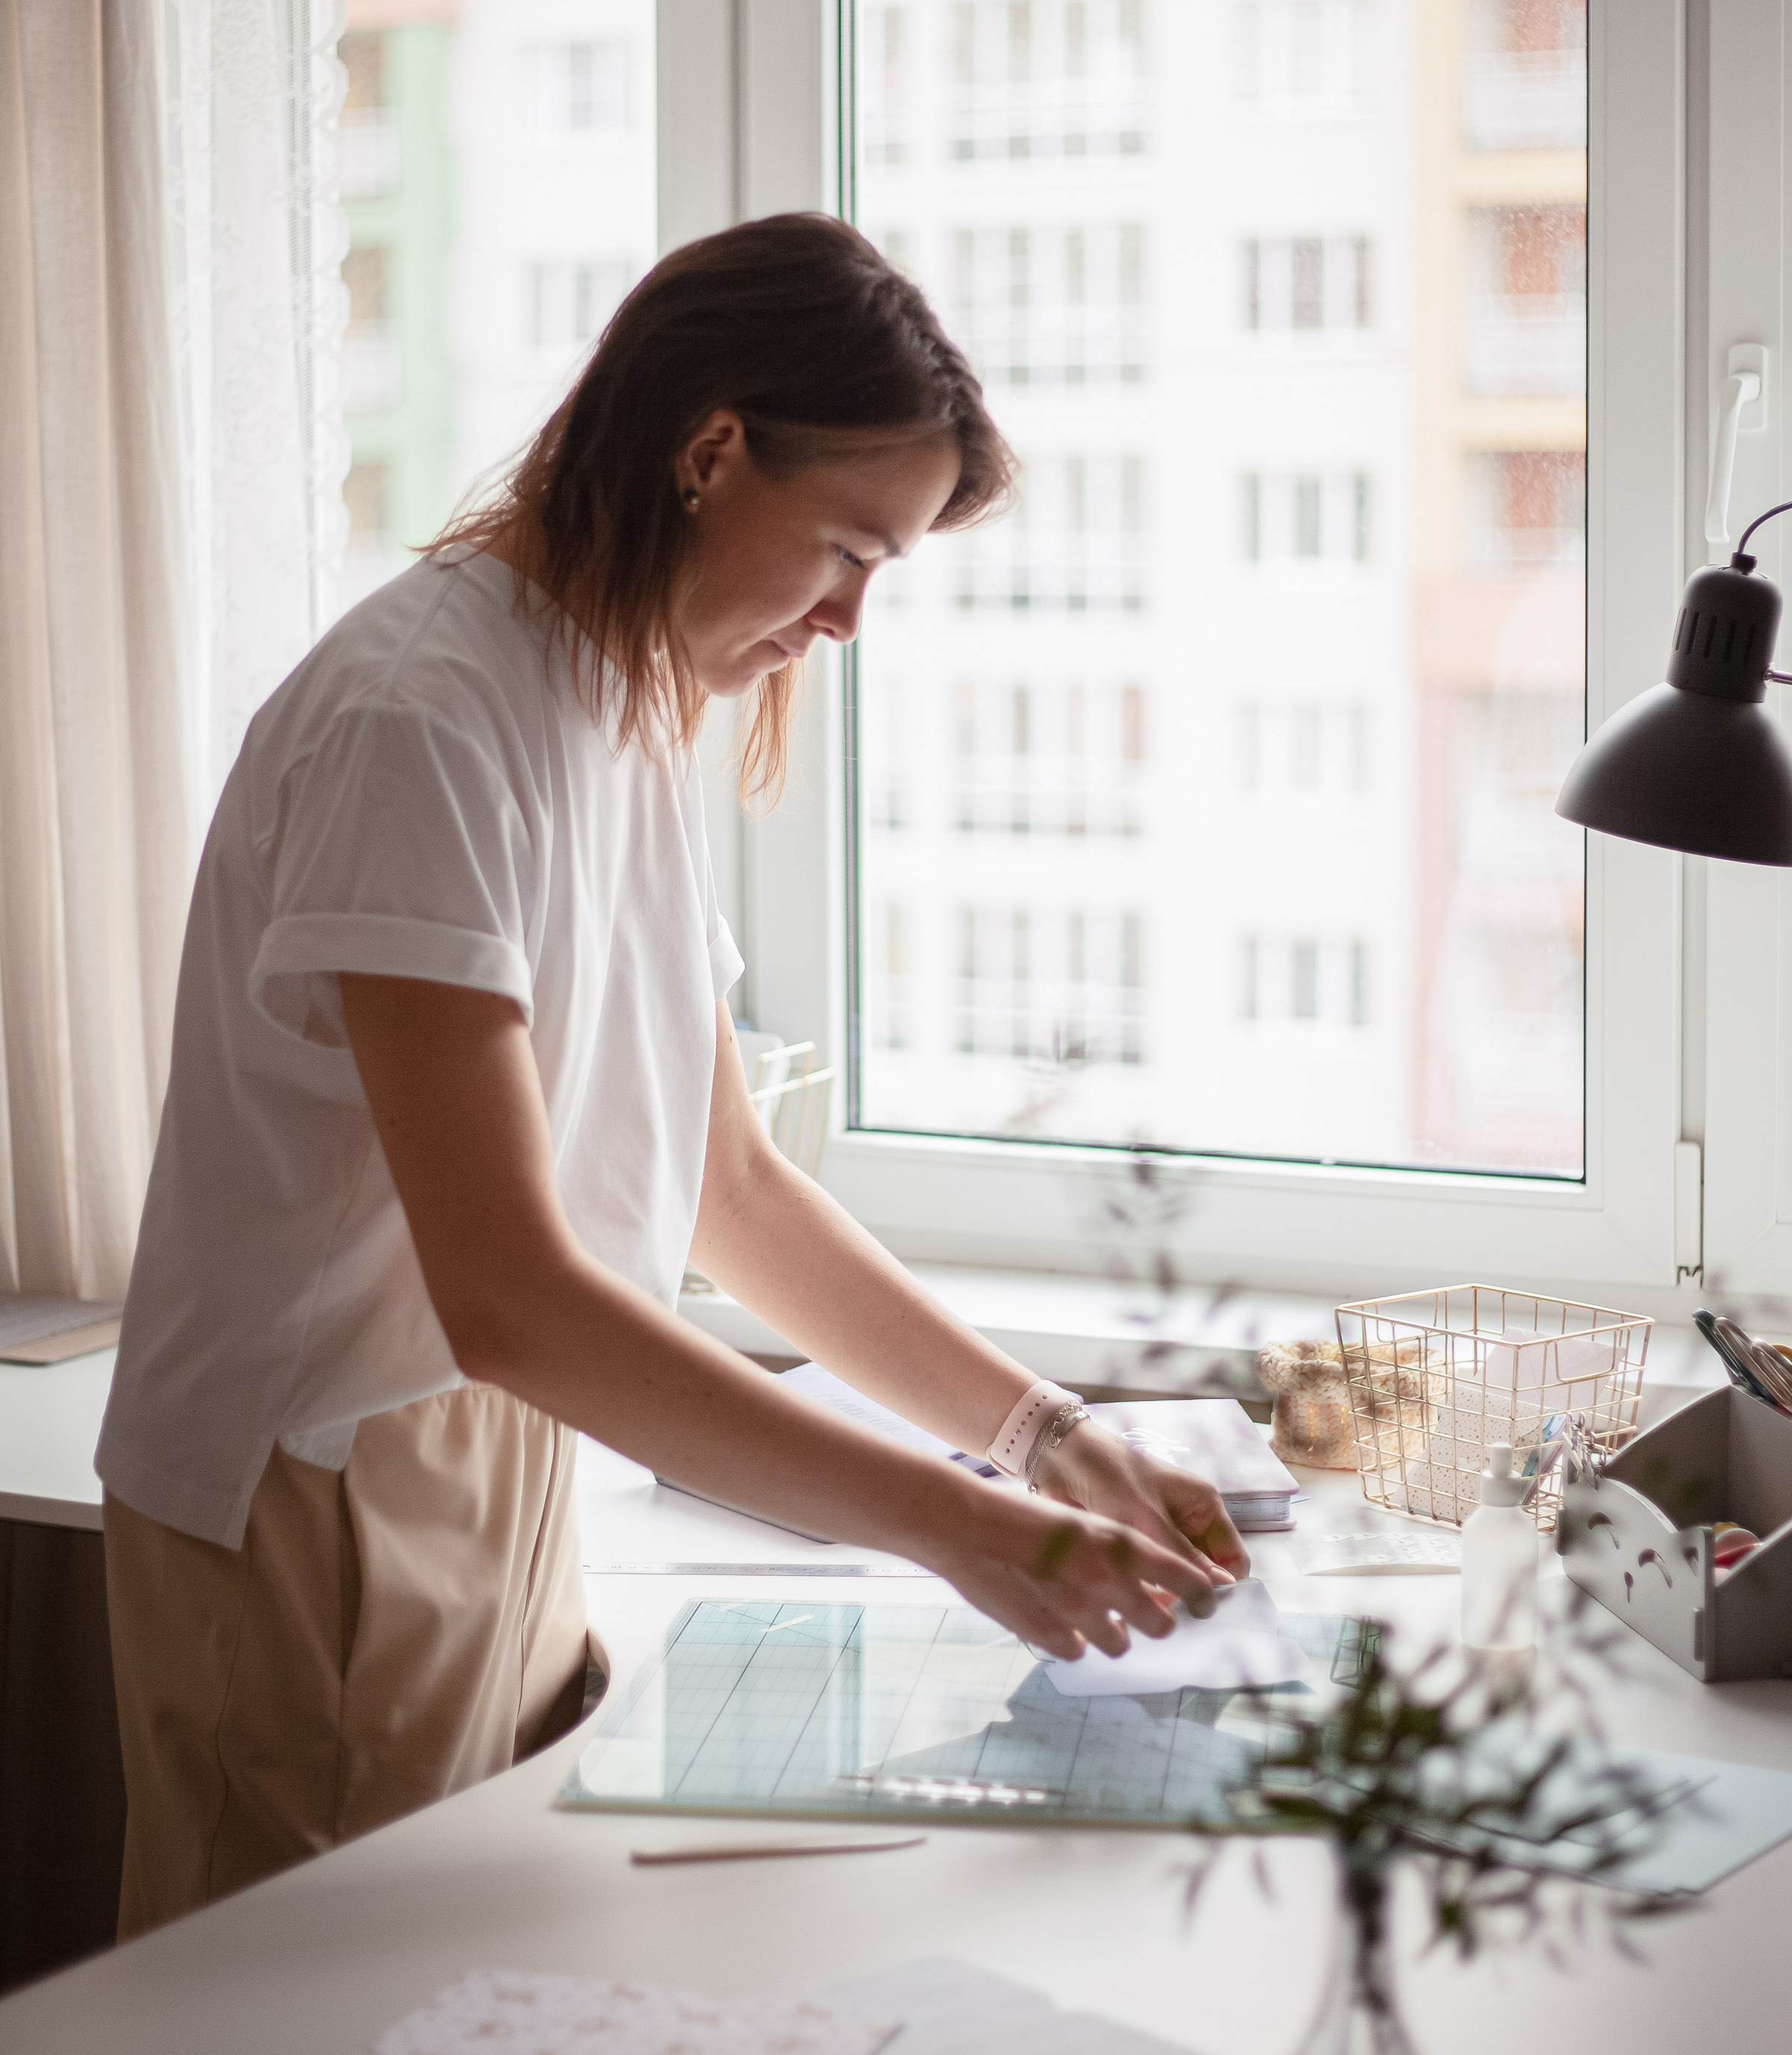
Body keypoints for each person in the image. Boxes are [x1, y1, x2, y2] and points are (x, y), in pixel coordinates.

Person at [96, 214, 1248, 1942]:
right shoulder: (419, 722)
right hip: (329, 1495)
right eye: (847, 548)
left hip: (490, 1461)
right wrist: (960, 1530)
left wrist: (1046, 1442)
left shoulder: (614, 699)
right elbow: (509, 1299)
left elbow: (729, 1187)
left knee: (437, 2042)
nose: (850, 619)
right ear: (709, 451)